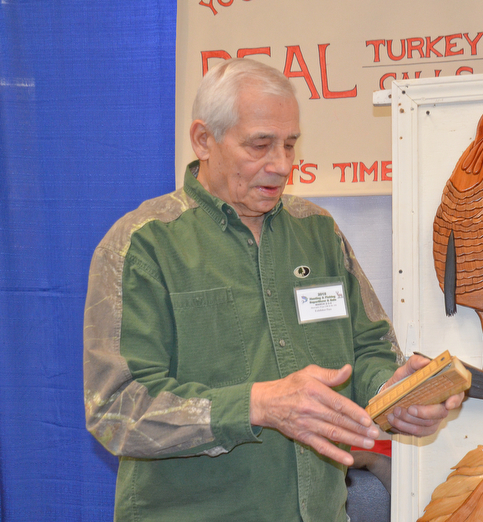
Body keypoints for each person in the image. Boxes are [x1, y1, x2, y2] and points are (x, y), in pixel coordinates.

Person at [83, 58, 463, 521]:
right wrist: (256, 405)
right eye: (260, 145)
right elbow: (117, 411)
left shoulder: (318, 231)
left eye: (289, 144)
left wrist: (395, 393)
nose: (281, 165)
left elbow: (367, 350)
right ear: (203, 140)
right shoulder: (142, 245)